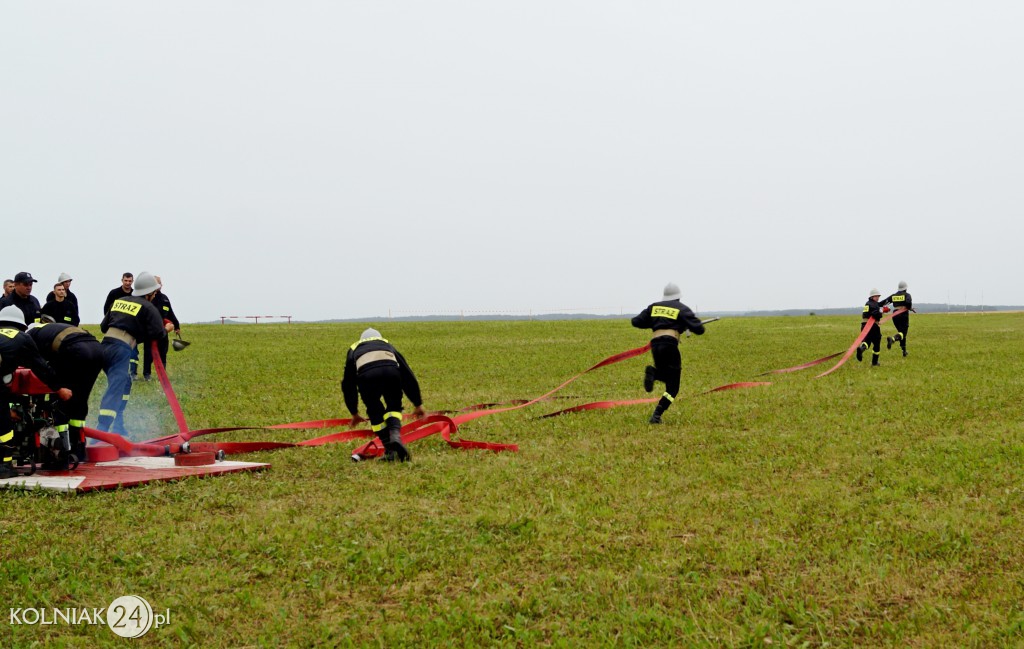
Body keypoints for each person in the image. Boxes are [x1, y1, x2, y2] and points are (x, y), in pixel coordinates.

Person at [0, 307, 72, 478]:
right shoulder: (22, 337)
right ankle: (4, 466)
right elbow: (40, 367)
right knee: (4, 425)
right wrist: (59, 388)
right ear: (22, 325)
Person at [97, 271, 167, 436]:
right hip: (120, 350)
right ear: (149, 293)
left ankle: (119, 424)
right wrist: (167, 329)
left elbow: (103, 326)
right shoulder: (149, 307)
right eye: (154, 292)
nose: (155, 295)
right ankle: (101, 434)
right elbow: (158, 334)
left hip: (104, 346)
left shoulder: (120, 301)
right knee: (116, 387)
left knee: (125, 382)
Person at [341, 328, 426, 462]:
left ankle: (389, 448)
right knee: (394, 405)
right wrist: (417, 403)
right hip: (391, 372)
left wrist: (354, 412)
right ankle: (395, 437)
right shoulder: (387, 345)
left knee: (374, 409)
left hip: (367, 376)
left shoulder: (354, 349)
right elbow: (407, 373)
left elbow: (348, 383)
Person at [26, 321, 105, 464]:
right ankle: (79, 449)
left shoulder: (29, 337)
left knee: (59, 402)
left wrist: (56, 388)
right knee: (79, 399)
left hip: (74, 350)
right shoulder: (50, 329)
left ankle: (60, 454)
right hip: (97, 350)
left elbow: (40, 367)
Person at [631, 283, 706, 424]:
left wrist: (657, 322)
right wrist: (682, 324)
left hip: (656, 345)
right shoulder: (681, 308)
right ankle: (656, 415)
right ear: (678, 297)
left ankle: (654, 373)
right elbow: (699, 329)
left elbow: (636, 321)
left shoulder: (654, 307)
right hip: (670, 345)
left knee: (665, 375)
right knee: (673, 387)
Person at [143, 275, 180, 381]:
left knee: (163, 352)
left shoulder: (164, 298)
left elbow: (170, 313)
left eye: (160, 283)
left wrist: (176, 326)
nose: (160, 285)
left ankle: (162, 374)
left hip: (163, 330)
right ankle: (147, 374)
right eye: (157, 283)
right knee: (148, 353)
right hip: (150, 331)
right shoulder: (147, 297)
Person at [103, 272, 140, 379]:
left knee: (133, 352)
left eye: (130, 281)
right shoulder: (114, 293)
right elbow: (107, 309)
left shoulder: (136, 294)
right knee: (117, 350)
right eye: (125, 280)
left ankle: (133, 373)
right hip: (117, 327)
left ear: (132, 281)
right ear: (122, 280)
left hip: (132, 328)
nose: (127, 283)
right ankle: (116, 371)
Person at [881, 281, 914, 357]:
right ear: (905, 288)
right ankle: (892, 339)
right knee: (903, 333)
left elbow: (884, 302)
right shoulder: (907, 295)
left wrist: (875, 305)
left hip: (895, 315)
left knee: (901, 333)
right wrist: (909, 308)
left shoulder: (893, 296)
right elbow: (908, 303)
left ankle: (904, 351)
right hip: (903, 314)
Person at [856, 288, 886, 367]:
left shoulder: (867, 304)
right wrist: (882, 311)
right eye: (876, 296)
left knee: (867, 341)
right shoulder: (874, 304)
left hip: (864, 325)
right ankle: (874, 362)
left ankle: (861, 349)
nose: (878, 298)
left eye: (878, 296)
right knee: (876, 343)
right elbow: (876, 314)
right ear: (872, 297)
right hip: (872, 326)